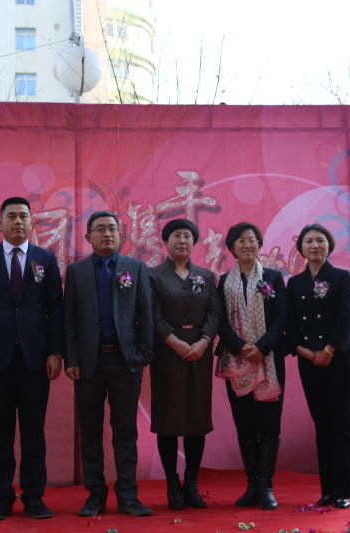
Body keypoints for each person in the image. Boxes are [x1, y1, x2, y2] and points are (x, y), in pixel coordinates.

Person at [0, 197, 64, 521]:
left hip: (36, 359)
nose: (18, 221)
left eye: (24, 216)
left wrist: (55, 352)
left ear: (32, 222)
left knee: (34, 433)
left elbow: (56, 308)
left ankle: (34, 496)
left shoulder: (45, 259)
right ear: (0, 222)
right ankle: (2, 498)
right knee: (1, 434)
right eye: (12, 216)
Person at [64, 210, 154, 517]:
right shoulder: (76, 272)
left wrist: (143, 354)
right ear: (88, 237)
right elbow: (69, 319)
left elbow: (146, 313)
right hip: (88, 363)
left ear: (120, 234)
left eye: (112, 229)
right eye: (100, 229)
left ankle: (128, 495)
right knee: (90, 431)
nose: (106, 234)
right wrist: (72, 359)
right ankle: (95, 494)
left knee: (125, 431)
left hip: (125, 361)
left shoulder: (136, 268)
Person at [148, 219, 221, 510]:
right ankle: (171, 483)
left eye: (187, 236)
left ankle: (191, 482)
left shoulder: (206, 276)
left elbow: (215, 313)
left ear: (194, 242)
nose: (182, 240)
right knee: (168, 421)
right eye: (176, 235)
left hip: (199, 353)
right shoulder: (153, 276)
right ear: (166, 242)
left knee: (196, 420)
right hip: (167, 353)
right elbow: (152, 315)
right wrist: (175, 342)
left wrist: (203, 342)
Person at [216, 222, 287, 510]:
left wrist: (262, 347)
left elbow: (282, 317)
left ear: (259, 245)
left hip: (269, 361)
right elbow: (220, 320)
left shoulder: (272, 277)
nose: (247, 244)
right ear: (232, 248)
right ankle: (251, 486)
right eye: (241, 241)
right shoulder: (224, 282)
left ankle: (266, 487)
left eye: (252, 240)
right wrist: (239, 347)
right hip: (237, 361)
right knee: (245, 425)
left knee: (269, 425)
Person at [286, 223, 350, 510]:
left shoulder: (341, 278)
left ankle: (343, 491)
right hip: (308, 362)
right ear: (301, 248)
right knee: (322, 424)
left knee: (341, 424)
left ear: (329, 245)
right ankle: (327, 490)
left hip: (337, 360)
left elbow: (346, 318)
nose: (315, 245)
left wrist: (328, 350)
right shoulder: (295, 284)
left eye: (320, 240)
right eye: (309, 241)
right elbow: (290, 323)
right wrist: (303, 351)